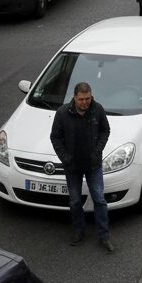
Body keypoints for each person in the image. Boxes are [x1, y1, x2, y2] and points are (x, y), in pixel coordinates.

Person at [49, 82, 114, 252]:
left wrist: (97, 151)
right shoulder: (62, 113)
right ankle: (79, 231)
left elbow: (105, 131)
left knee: (99, 199)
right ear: (74, 97)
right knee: (75, 201)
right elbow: (55, 137)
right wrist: (65, 158)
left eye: (88, 98)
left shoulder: (97, 109)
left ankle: (104, 235)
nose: (85, 102)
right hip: (72, 167)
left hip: (93, 164)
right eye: (81, 99)